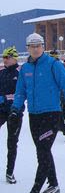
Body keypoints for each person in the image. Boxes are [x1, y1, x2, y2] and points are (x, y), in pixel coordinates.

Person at [11, 33, 65, 193]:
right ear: (27, 48)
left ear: (43, 46)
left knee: (43, 150)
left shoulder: (53, 65)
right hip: (34, 116)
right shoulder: (25, 69)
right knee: (43, 151)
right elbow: (20, 92)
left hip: (51, 115)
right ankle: (54, 184)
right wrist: (15, 109)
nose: (35, 49)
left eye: (38, 45)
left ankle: (34, 192)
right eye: (32, 46)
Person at [1, 46, 22, 184]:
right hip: (1, 110)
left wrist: (5, 98)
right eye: (3, 57)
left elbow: (21, 93)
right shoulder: (2, 73)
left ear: (14, 58)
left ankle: (10, 172)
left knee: (12, 142)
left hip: (15, 112)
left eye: (7, 57)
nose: (5, 60)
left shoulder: (20, 73)